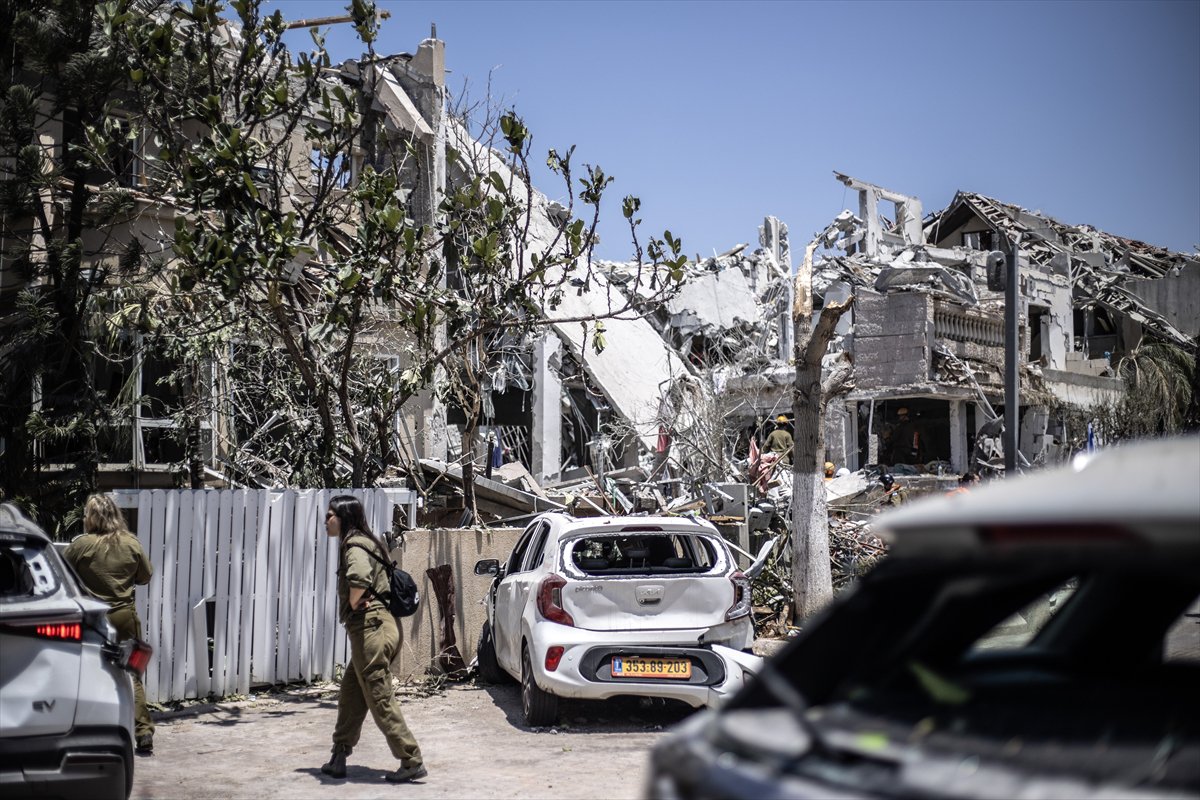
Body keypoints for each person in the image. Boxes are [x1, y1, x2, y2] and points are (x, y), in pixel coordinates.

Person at [320, 495, 426, 784]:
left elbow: (360, 577)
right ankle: (339, 754)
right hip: (381, 627)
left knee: (379, 698)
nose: (326, 521)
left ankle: (411, 758)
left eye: (330, 516)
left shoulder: (353, 546)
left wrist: (354, 602)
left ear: (344, 518)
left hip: (371, 631)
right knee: (351, 694)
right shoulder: (368, 541)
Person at [63, 494, 155, 755]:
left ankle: (90, 731)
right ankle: (143, 731)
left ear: (90, 517)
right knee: (133, 674)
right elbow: (145, 576)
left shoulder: (81, 545)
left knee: (88, 673)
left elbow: (63, 575)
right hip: (125, 617)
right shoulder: (131, 543)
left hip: (92, 621)